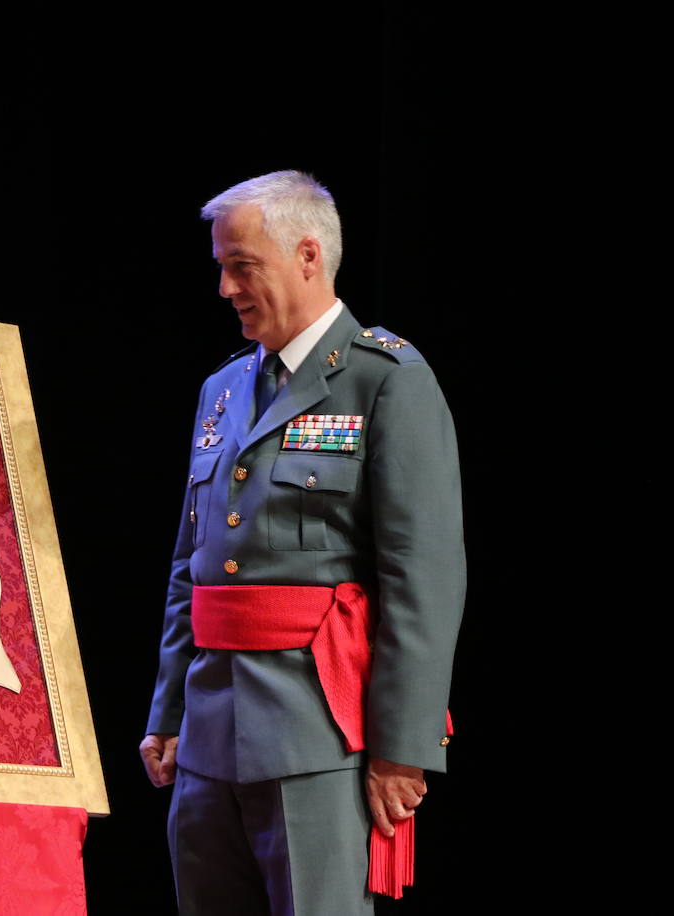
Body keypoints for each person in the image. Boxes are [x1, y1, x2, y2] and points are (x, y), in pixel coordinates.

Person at [139, 170, 465, 914]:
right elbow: (191, 567)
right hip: (208, 729)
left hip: (316, 736)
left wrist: (401, 748)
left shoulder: (386, 382)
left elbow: (424, 579)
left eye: (241, 265)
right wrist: (167, 712)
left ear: (308, 256)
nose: (225, 287)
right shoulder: (221, 391)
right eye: (222, 266)